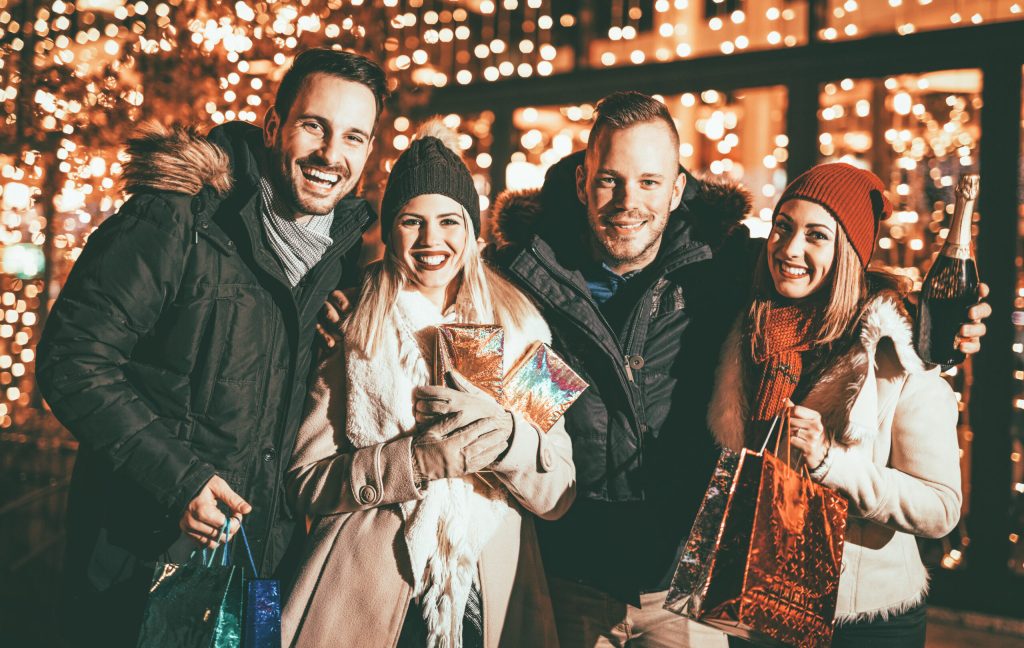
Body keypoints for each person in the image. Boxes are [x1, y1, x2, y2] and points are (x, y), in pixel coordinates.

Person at [488, 91, 990, 648]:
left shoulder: (720, 265)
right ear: (583, 182)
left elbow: (826, 290)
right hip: (569, 575)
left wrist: (929, 327)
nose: (628, 201)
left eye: (650, 182)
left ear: (677, 188)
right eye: (610, 180)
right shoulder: (523, 281)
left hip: (687, 585)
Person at [35, 48, 387, 646]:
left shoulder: (342, 263)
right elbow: (74, 358)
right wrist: (180, 480)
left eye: (354, 136)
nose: (333, 155)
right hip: (140, 558)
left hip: (259, 566)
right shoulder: (179, 218)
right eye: (314, 126)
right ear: (275, 126)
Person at [282, 123, 576, 648]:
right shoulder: (353, 323)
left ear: (472, 229)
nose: (431, 241)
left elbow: (560, 493)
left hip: (490, 595)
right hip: (371, 595)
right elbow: (305, 482)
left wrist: (508, 438)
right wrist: (413, 462)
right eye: (411, 221)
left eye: (448, 221)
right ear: (389, 230)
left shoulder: (524, 324)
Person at [708, 162, 962, 647]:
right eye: (783, 227)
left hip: (860, 622)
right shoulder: (751, 329)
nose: (790, 249)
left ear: (847, 252)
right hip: (759, 598)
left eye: (817, 236)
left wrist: (831, 462)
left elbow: (941, 508)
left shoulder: (897, 353)